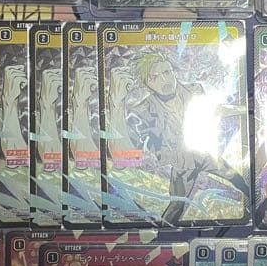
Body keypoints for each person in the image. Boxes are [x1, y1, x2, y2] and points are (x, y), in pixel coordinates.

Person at [105, 53, 249, 225]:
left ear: (173, 71)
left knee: (237, 179)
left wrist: (245, 109)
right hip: (182, 165)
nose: (164, 80)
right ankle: (162, 234)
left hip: (205, 154)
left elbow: (214, 109)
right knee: (176, 206)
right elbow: (121, 154)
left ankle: (254, 207)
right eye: (154, 77)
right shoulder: (144, 109)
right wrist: (116, 103)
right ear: (146, 83)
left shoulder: (194, 90)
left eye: (167, 72)